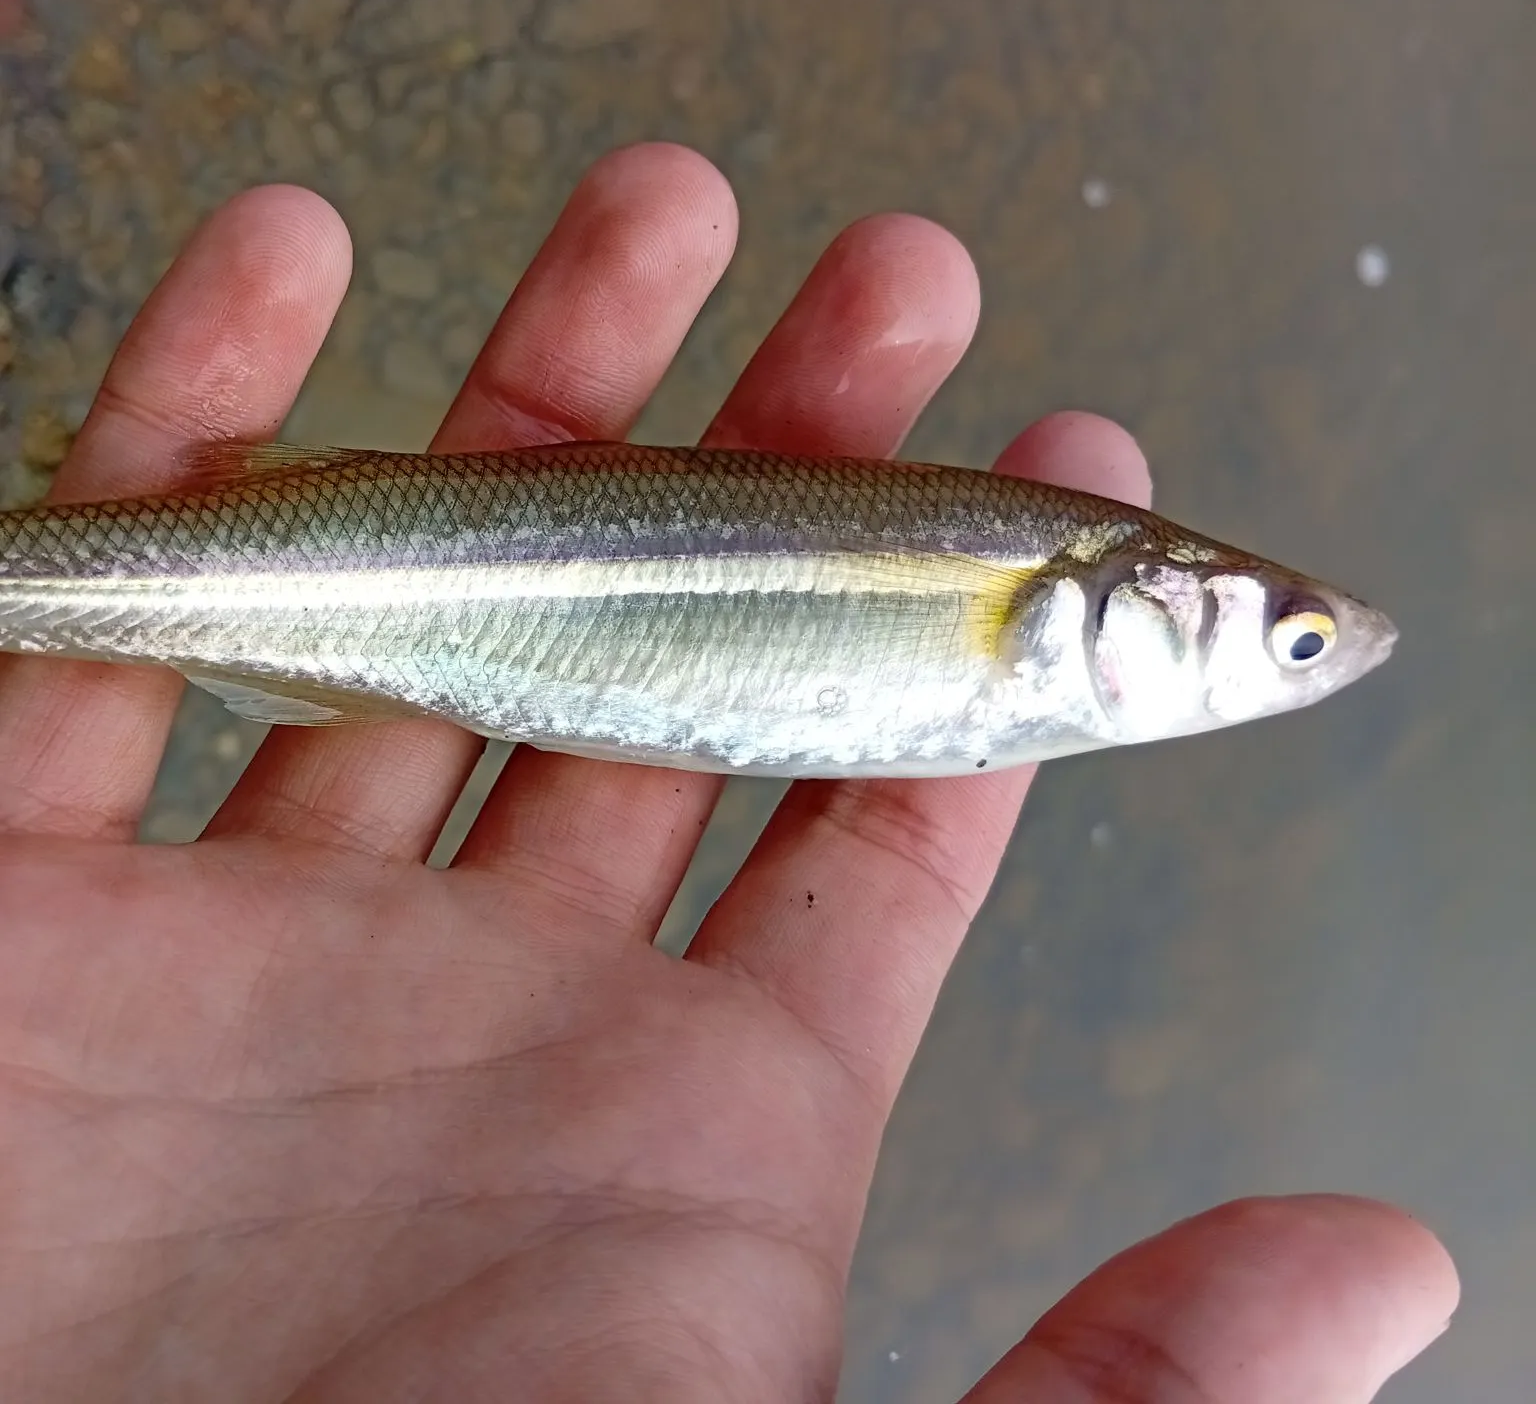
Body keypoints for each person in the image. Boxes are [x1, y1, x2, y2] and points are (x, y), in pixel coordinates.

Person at [0, 144, 1456, 1401]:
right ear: (1130, 597)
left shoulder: (1038, 589)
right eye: (1296, 641)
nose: (1314, 657)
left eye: (1300, 644)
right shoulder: (1031, 576)